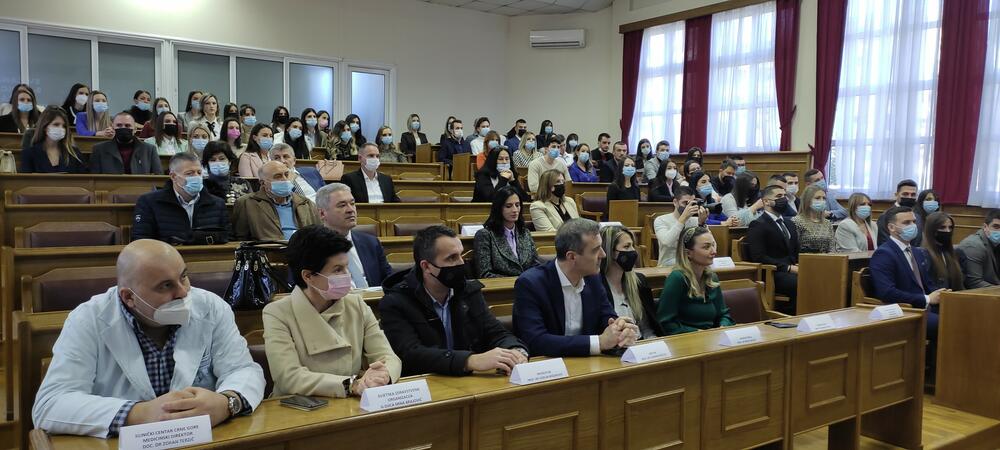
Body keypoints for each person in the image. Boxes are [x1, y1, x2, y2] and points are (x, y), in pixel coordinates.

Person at [32, 239, 264, 438]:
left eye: (183, 277)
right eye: (166, 286)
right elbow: (50, 405)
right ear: (129, 297)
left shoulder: (210, 307)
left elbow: (243, 369)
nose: (183, 292)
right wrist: (140, 413)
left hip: (205, 440)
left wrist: (227, 402)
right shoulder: (88, 319)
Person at [262, 225, 400, 398]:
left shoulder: (355, 304)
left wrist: (382, 375)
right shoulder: (277, 313)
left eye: (347, 267)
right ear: (308, 276)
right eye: (337, 270)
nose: (347, 275)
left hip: (352, 403)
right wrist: (351, 384)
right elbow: (288, 377)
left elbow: (388, 356)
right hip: (300, 407)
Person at [379, 225, 529, 376]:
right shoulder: (395, 302)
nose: (461, 263)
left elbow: (496, 332)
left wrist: (515, 350)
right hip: (427, 382)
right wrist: (468, 360)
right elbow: (411, 354)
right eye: (451, 258)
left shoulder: (469, 291)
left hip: (467, 382)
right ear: (426, 266)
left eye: (461, 255)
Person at [512, 218, 639, 357]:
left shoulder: (593, 278)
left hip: (589, 363)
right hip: (547, 365)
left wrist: (620, 329)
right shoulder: (530, 284)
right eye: (596, 250)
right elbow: (536, 341)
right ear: (572, 257)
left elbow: (607, 317)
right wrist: (599, 342)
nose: (603, 254)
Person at [869, 206, 946, 342]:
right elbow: (887, 292)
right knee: (946, 323)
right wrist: (927, 299)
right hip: (906, 310)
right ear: (891, 228)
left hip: (925, 307)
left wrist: (943, 295)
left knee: (961, 314)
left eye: (914, 222)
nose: (913, 226)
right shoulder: (884, 254)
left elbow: (927, 284)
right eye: (906, 223)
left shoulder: (917, 252)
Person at [132, 153, 230, 245]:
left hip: (206, 256)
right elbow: (141, 241)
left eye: (199, 173)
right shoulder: (149, 202)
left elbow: (228, 239)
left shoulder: (217, 204)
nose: (196, 177)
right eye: (190, 173)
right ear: (173, 176)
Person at [657, 226, 735, 335]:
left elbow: (723, 314)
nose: (714, 251)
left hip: (711, 338)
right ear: (688, 253)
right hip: (687, 340)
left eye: (713, 245)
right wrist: (697, 333)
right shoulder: (677, 278)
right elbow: (666, 322)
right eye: (706, 247)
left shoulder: (712, 277)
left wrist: (723, 326)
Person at [315, 183, 393, 287]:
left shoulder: (371, 242)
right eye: (342, 205)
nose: (350, 210)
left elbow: (389, 280)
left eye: (352, 203)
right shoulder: (312, 247)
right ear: (322, 213)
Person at [599, 226, 662, 338]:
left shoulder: (639, 282)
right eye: (627, 246)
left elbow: (647, 328)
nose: (633, 251)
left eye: (633, 246)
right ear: (610, 252)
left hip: (642, 343)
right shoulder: (597, 287)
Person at [232, 161, 320, 241]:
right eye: (278, 176)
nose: (285, 179)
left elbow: (317, 234)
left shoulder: (306, 203)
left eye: (286, 174)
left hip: (303, 250)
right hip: (270, 251)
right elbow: (241, 239)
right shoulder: (246, 203)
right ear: (263, 183)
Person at [746, 184, 799, 311]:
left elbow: (796, 250)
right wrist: (787, 268)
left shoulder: (790, 223)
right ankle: (791, 315)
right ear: (766, 201)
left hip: (794, 268)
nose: (784, 199)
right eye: (779, 196)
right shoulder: (758, 225)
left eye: (785, 196)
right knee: (801, 283)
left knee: (817, 277)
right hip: (774, 272)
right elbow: (758, 256)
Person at [474, 186, 540, 278]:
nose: (515, 210)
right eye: (508, 206)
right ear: (498, 208)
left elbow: (535, 265)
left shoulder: (525, 233)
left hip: (528, 283)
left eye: (517, 205)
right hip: (501, 286)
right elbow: (485, 274)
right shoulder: (485, 235)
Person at [21, 107, 88, 173]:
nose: (61, 129)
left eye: (64, 126)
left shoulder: (74, 153)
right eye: (56, 124)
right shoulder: (30, 153)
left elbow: (84, 176)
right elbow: (25, 178)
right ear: (45, 127)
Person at [90, 113, 162, 175]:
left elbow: (158, 176)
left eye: (127, 126)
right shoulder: (99, 149)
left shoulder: (149, 149)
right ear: (113, 127)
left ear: (135, 129)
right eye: (119, 125)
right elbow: (94, 179)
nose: (123, 128)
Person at [654, 186, 708, 267]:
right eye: (685, 203)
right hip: (669, 263)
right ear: (675, 202)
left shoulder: (696, 220)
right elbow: (667, 242)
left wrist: (702, 224)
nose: (688, 207)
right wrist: (683, 218)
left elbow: (709, 244)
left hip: (694, 262)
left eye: (692, 203)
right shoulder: (661, 220)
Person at [957, 209, 1000, 288]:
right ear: (985, 227)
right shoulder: (973, 246)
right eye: (996, 227)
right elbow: (974, 282)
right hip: (976, 293)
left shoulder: (996, 243)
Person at [922, 212, 965, 291]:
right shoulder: (923, 255)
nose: (948, 231)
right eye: (942, 227)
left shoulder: (955, 253)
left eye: (950, 227)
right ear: (931, 230)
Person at [202, 141, 251, 206]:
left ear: (229, 161)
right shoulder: (202, 186)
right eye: (212, 160)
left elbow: (251, 206)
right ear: (207, 164)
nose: (218, 162)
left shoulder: (243, 183)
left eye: (222, 159)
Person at [874, 179, 920, 246]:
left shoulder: (917, 217)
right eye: (905, 194)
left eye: (913, 195)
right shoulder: (885, 217)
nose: (909, 197)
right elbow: (884, 243)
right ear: (896, 195)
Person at [792, 184, 837, 254]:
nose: (822, 201)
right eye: (817, 198)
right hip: (806, 258)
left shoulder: (827, 223)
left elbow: (832, 247)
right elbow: (794, 248)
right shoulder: (797, 221)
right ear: (807, 200)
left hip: (827, 258)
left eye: (824, 198)